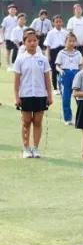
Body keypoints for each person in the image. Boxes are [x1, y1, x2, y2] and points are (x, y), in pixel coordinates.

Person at [14, 29, 52, 158]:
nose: (32, 43)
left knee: (37, 122)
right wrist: (17, 97)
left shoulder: (43, 59)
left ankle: (35, 148)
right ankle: (26, 148)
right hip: (25, 95)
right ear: (24, 43)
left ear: (38, 41)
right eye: (29, 41)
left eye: (34, 40)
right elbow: (17, 81)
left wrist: (49, 95)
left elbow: (47, 79)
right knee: (26, 122)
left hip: (40, 95)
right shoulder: (20, 59)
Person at [55, 33, 83, 126]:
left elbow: (80, 66)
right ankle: (68, 118)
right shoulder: (61, 53)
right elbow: (57, 66)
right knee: (66, 98)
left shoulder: (78, 53)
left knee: (79, 97)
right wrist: (61, 71)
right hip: (65, 76)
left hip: (76, 75)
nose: (71, 43)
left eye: (73, 41)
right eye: (69, 41)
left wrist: (81, 74)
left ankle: (81, 117)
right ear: (65, 42)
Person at [44, 15, 67, 92]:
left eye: (60, 22)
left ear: (62, 22)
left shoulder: (65, 32)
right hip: (54, 52)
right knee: (54, 70)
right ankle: (55, 88)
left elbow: (67, 43)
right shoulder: (50, 33)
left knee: (63, 69)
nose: (58, 23)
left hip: (63, 51)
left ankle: (63, 86)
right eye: (56, 22)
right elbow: (48, 45)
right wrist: (48, 56)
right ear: (53, 23)